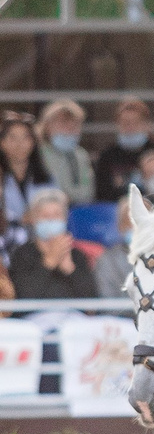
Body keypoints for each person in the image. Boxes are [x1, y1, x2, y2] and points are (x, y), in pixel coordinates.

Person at [8, 189, 97, 300]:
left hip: (75, 315)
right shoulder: (22, 254)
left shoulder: (77, 255)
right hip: (35, 316)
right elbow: (22, 296)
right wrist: (49, 261)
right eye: (45, 215)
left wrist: (70, 269)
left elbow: (93, 303)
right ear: (34, 220)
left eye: (56, 215)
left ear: (65, 219)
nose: (51, 219)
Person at [93, 98, 154, 202]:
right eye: (125, 123)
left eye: (135, 123)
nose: (130, 128)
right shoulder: (107, 156)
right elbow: (102, 194)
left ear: (146, 125)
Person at [37, 100, 94, 204]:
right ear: (48, 127)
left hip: (81, 209)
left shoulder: (81, 155)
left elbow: (88, 188)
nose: (69, 130)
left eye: (74, 126)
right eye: (63, 124)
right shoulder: (38, 154)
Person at [0, 113, 40, 248]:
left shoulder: (46, 177)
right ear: (2, 142)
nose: (20, 144)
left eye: (25, 137)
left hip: (40, 242)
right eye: (12, 137)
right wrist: (20, 219)